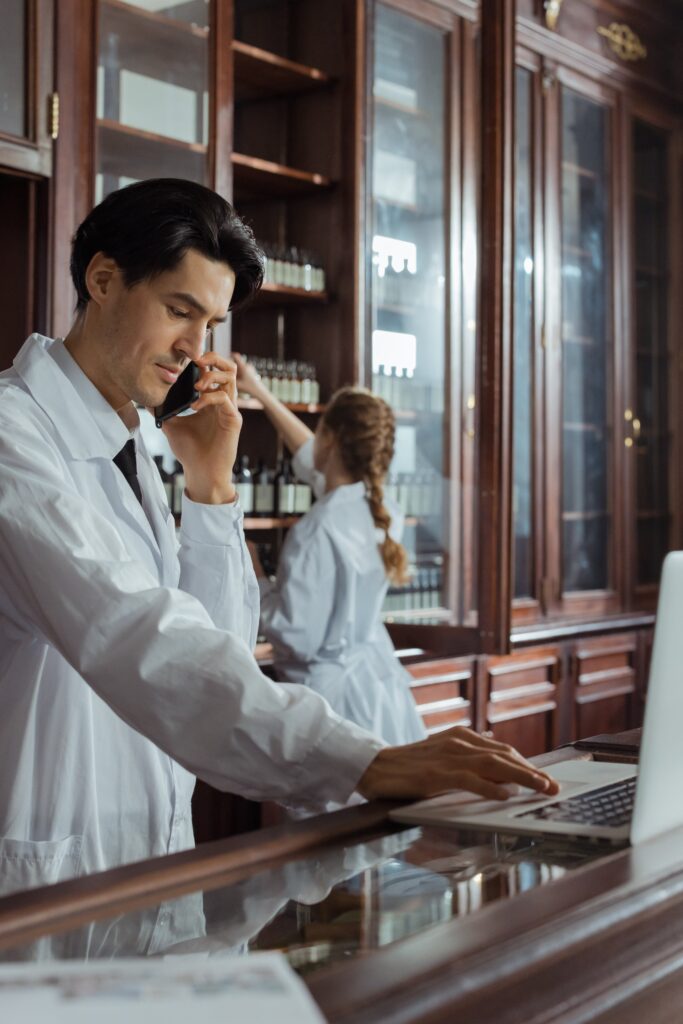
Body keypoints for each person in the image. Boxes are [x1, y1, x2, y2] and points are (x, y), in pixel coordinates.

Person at [0, 178, 558, 890]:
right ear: (103, 278)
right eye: (180, 310)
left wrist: (211, 489)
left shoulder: (134, 444)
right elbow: (131, 630)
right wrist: (359, 760)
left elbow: (218, 646)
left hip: (144, 854)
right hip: (49, 871)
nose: (194, 351)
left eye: (210, 326)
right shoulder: (13, 438)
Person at [235, 364, 426, 746]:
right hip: (379, 687)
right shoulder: (383, 508)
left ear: (333, 439)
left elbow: (296, 636)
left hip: (331, 700)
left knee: (341, 805)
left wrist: (257, 576)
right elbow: (311, 455)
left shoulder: (317, 528)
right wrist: (259, 391)